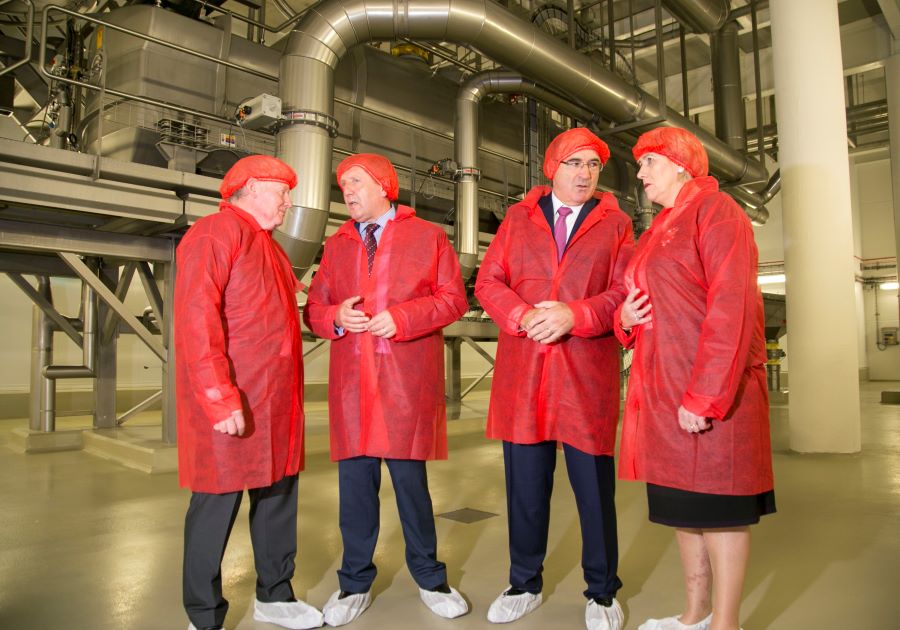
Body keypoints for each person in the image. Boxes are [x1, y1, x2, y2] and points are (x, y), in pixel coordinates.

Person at [474, 127, 634, 630]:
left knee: (593, 491)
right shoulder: (519, 220)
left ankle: (603, 592)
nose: (585, 174)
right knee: (524, 489)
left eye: (592, 165)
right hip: (525, 373)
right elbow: (488, 281)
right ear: (552, 168)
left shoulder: (616, 225)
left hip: (586, 373)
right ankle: (524, 583)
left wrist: (576, 315)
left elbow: (622, 293)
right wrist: (522, 316)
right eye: (575, 163)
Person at [616, 127, 775, 630]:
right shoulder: (660, 226)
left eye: (649, 163)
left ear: (681, 164)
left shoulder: (718, 212)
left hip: (711, 394)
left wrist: (705, 395)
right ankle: (694, 615)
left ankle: (725, 624)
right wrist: (625, 317)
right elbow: (644, 299)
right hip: (662, 390)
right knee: (684, 508)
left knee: (721, 512)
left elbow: (733, 308)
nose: (640, 174)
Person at [304, 153, 470, 626]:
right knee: (355, 489)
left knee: (410, 486)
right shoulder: (337, 245)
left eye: (355, 181)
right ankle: (354, 582)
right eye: (342, 185)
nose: (347, 192)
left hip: (404, 382)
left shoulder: (428, 236)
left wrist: (403, 317)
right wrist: (335, 317)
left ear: (383, 184)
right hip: (353, 385)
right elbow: (314, 307)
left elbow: (453, 298)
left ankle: (430, 577)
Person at [174, 155, 323, 630]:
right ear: (253, 188)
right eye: (281, 192)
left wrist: (334, 309)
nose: (288, 202)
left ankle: (275, 595)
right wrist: (218, 396)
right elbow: (197, 317)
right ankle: (202, 613)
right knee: (215, 502)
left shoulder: (271, 248)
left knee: (278, 494)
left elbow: (293, 304)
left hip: (275, 400)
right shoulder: (217, 232)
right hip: (235, 397)